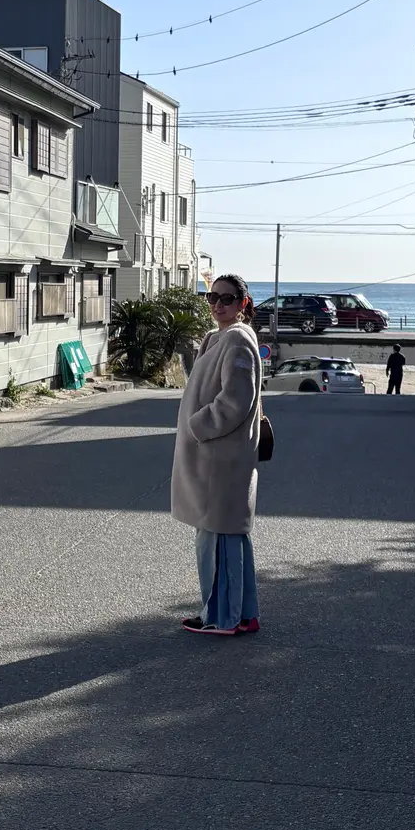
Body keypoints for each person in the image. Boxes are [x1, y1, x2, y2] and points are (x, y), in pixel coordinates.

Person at [170, 272, 262, 636]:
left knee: (218, 538)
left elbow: (236, 399)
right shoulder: (217, 337)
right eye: (212, 298)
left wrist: (199, 425)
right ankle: (242, 613)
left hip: (220, 457)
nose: (217, 305)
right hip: (218, 456)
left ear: (242, 304)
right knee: (226, 536)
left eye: (226, 299)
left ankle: (223, 617)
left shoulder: (237, 340)